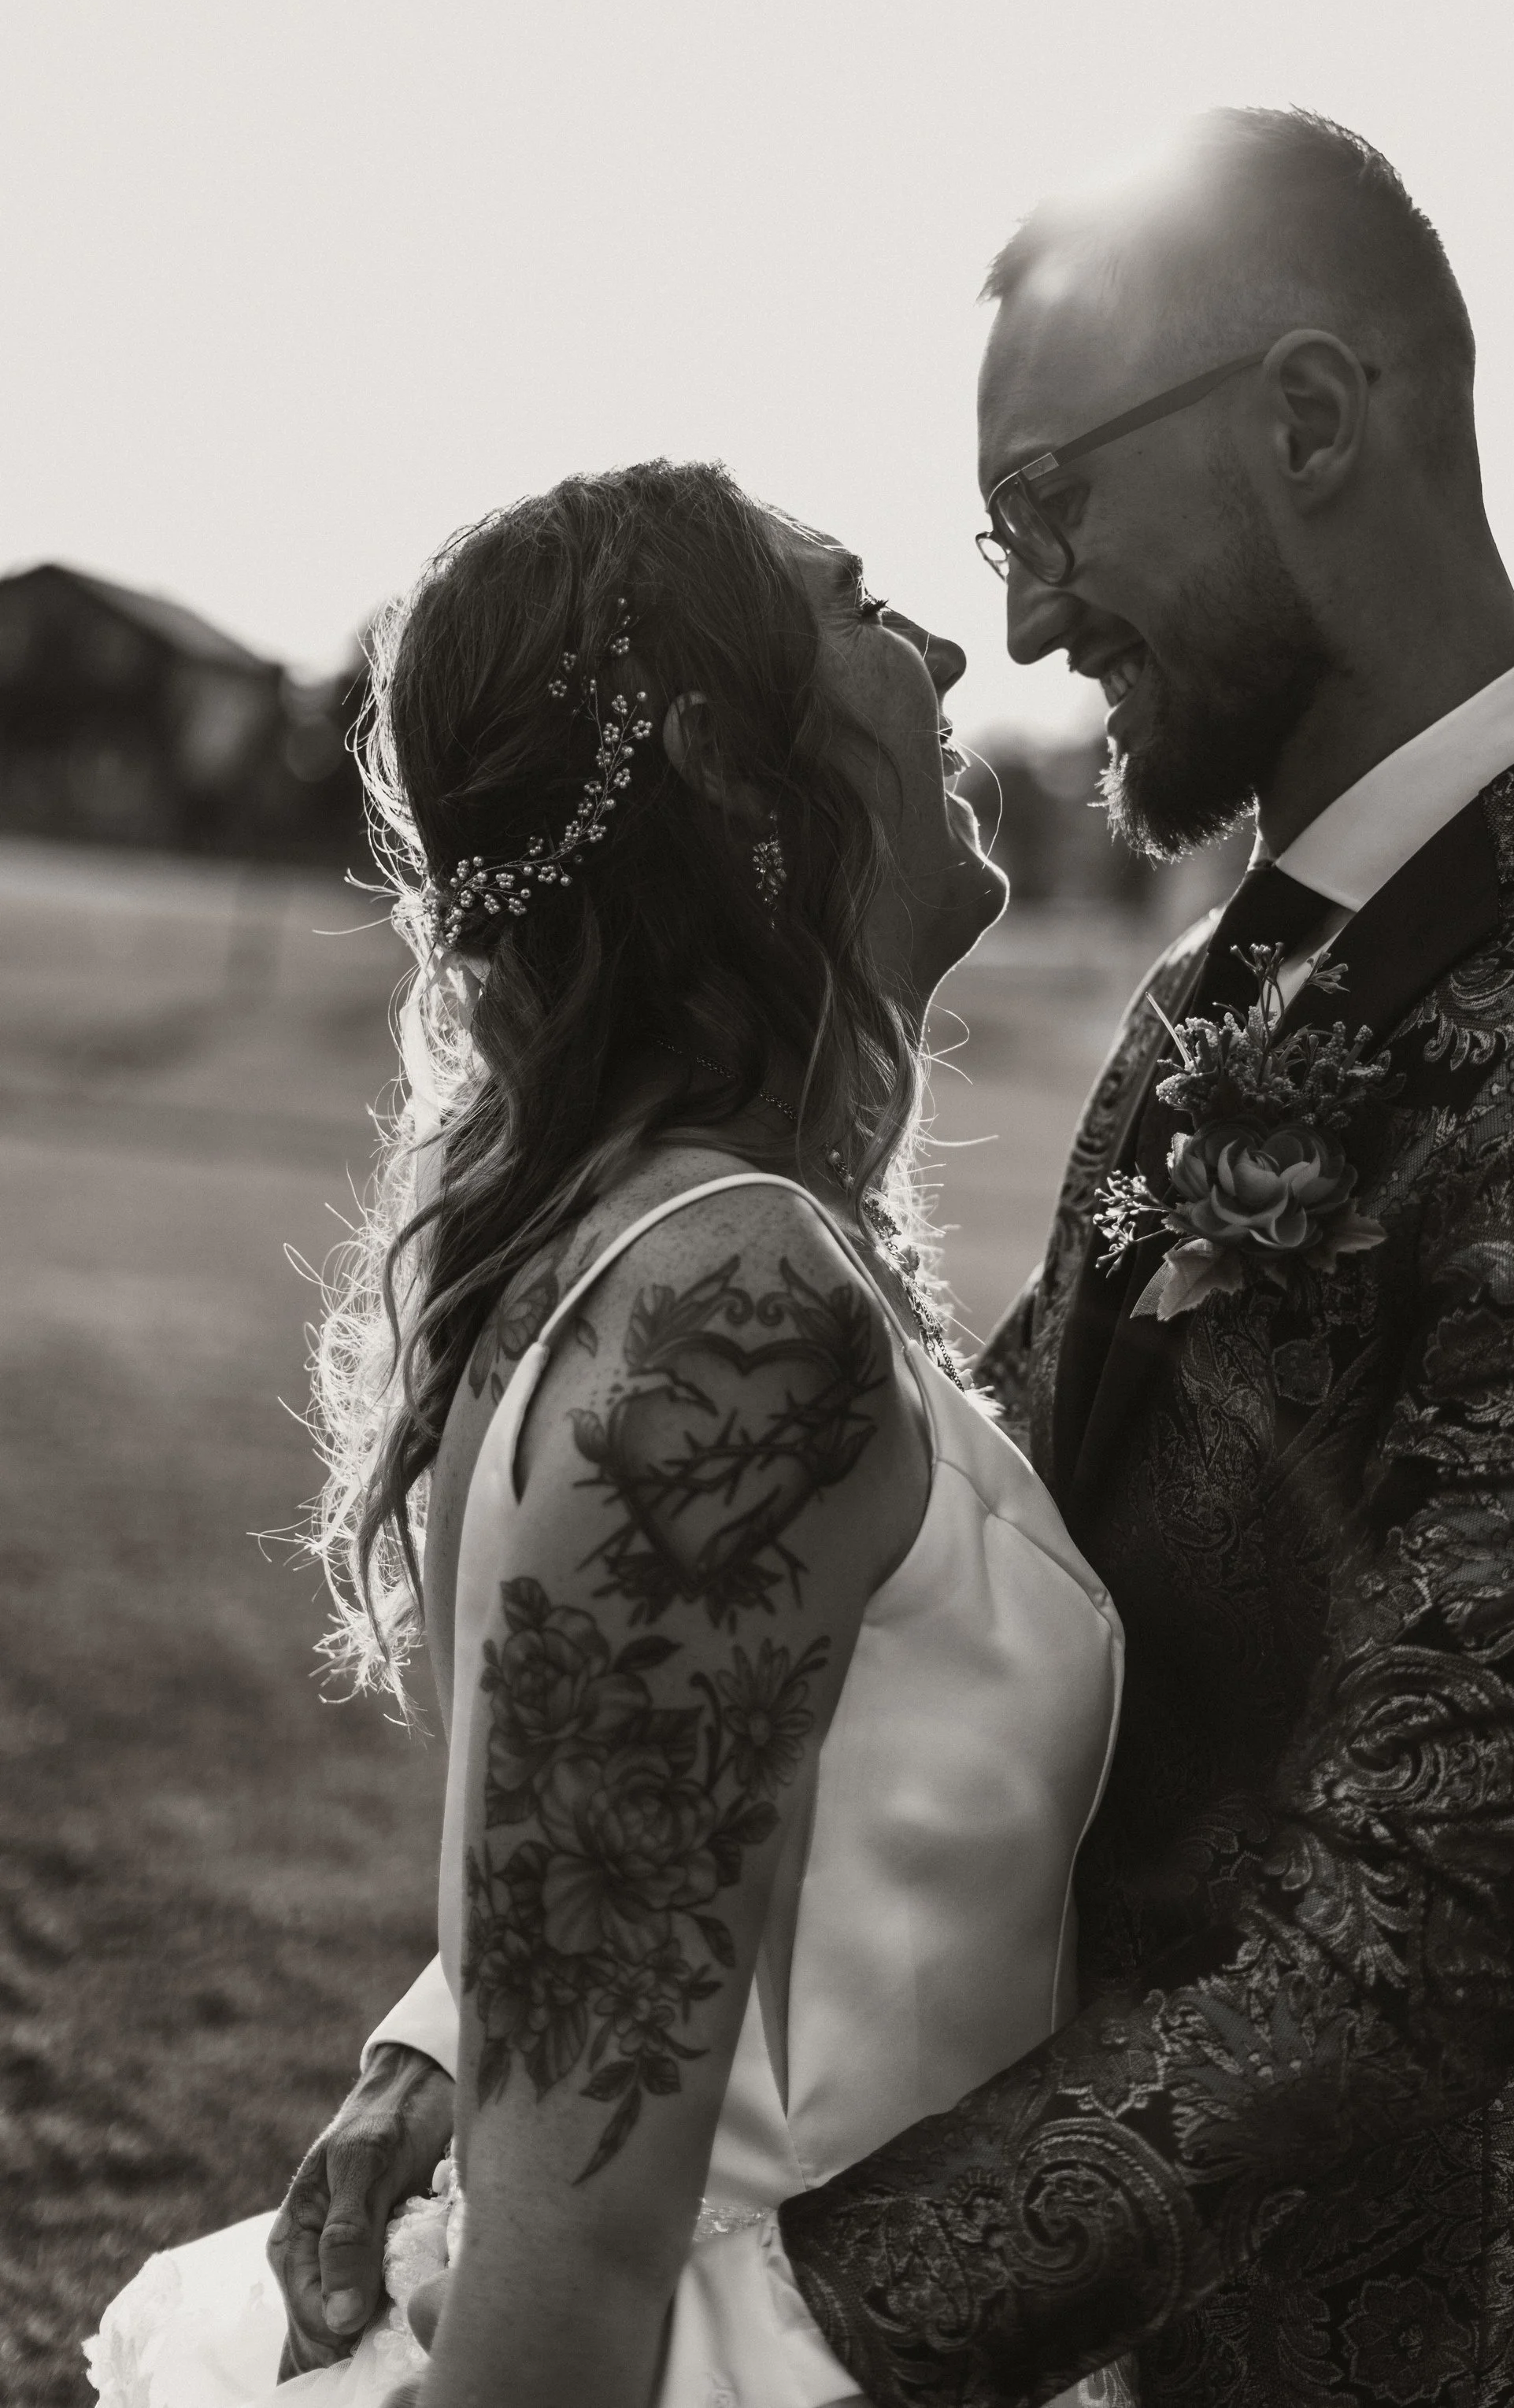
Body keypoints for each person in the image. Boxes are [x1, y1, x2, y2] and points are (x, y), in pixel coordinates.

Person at [277, 108, 1514, 2408]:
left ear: (1310, 423)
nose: (1021, 615)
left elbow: (1412, 1938)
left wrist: (768, 2341)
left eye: (1050, 505)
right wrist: (502, 2019)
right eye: (984, 536)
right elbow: (955, 1545)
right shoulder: (1218, 1003)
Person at [84, 461, 1125, 2408]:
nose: (946, 648)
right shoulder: (728, 1316)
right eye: (867, 606)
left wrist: (449, 2009)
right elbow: (575, 2243)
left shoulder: (682, 1243)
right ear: (736, 761)